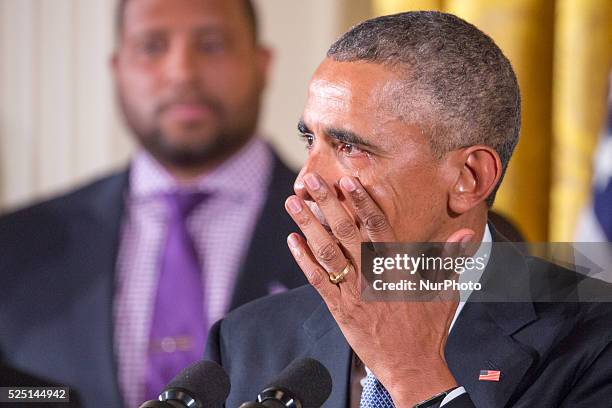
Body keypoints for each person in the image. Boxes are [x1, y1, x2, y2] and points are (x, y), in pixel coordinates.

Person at [205, 11, 612, 407]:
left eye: (350, 148)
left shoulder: (596, 338)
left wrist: (412, 373)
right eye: (310, 140)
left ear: (469, 178)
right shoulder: (246, 338)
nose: (305, 182)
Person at [0, 0, 306, 407]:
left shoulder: (357, 235)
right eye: (152, 46)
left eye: (212, 44)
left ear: (262, 63)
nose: (182, 72)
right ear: (117, 69)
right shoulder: (16, 244)